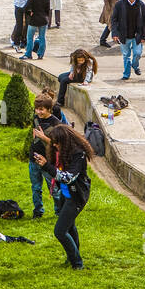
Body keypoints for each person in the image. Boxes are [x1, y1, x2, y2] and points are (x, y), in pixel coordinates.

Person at [33, 124, 94, 269]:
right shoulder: (61, 150)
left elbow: (68, 178)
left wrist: (47, 166)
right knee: (69, 226)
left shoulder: (78, 155)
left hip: (76, 196)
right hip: (65, 194)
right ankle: (73, 256)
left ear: (65, 142)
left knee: (60, 231)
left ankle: (77, 263)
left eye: (56, 142)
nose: (54, 145)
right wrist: (44, 140)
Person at [27, 93, 67, 218]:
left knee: (54, 189)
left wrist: (43, 137)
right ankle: (38, 211)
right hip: (34, 158)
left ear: (49, 109)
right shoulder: (35, 118)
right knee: (36, 187)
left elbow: (59, 144)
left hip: (48, 160)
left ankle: (59, 212)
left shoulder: (56, 123)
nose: (39, 112)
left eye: (42, 109)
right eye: (37, 109)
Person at [111, 0, 145, 79]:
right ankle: (126, 74)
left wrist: (144, 36)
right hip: (124, 35)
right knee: (126, 55)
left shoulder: (141, 5)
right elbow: (114, 20)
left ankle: (135, 65)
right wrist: (115, 33)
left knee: (137, 53)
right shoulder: (119, 5)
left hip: (137, 35)